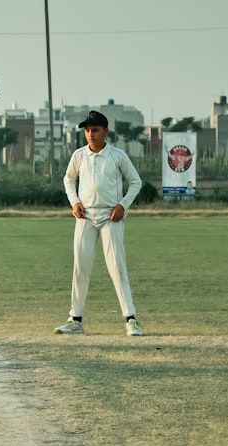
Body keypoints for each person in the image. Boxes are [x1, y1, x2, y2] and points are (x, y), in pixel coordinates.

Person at [54, 110, 145, 337]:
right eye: (87, 130)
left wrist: (122, 205)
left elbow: (135, 182)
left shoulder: (117, 156)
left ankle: (131, 319)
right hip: (85, 216)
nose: (90, 134)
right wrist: (74, 202)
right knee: (81, 267)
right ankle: (75, 320)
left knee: (117, 267)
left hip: (110, 217)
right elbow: (68, 179)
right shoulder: (79, 156)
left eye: (95, 130)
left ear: (105, 131)